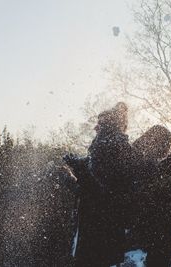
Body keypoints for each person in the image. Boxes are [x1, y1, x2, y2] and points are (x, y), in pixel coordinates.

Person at [64, 102, 132, 267]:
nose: (95, 127)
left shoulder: (107, 145)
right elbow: (94, 181)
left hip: (99, 230)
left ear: (109, 125)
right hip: (105, 228)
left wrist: (75, 176)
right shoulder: (113, 144)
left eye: (100, 123)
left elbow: (101, 191)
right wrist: (73, 169)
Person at [131, 124, 171, 267]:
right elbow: (161, 172)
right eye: (166, 144)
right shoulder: (143, 161)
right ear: (156, 142)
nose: (167, 148)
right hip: (154, 224)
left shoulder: (145, 159)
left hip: (158, 224)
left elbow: (164, 169)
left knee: (162, 257)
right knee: (160, 258)